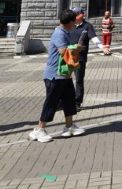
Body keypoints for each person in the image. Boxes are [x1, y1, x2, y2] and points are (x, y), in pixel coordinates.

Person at [28, 9, 83, 143]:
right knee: (51, 103)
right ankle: (39, 130)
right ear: (70, 22)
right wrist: (77, 47)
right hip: (55, 75)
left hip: (64, 74)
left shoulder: (66, 32)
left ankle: (69, 126)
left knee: (69, 100)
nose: (76, 23)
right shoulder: (59, 33)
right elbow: (62, 51)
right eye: (74, 21)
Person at [71, 8, 110, 110]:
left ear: (81, 15)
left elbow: (94, 38)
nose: (75, 16)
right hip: (67, 57)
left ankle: (77, 102)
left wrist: (103, 48)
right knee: (63, 80)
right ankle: (63, 101)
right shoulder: (69, 25)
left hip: (80, 58)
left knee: (79, 80)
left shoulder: (87, 26)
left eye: (76, 14)